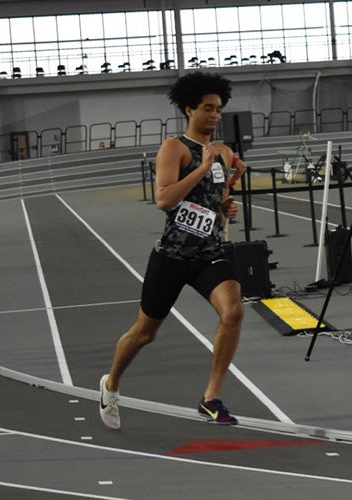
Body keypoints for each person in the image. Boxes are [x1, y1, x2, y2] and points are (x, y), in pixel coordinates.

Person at [100, 72, 247, 430]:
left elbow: (217, 200)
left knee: (233, 311)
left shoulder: (225, 153)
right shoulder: (175, 148)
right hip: (172, 256)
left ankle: (210, 399)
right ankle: (112, 383)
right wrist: (203, 165)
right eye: (207, 109)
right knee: (144, 334)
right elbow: (164, 199)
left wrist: (227, 205)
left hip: (209, 253)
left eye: (219, 110)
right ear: (189, 109)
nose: (214, 115)